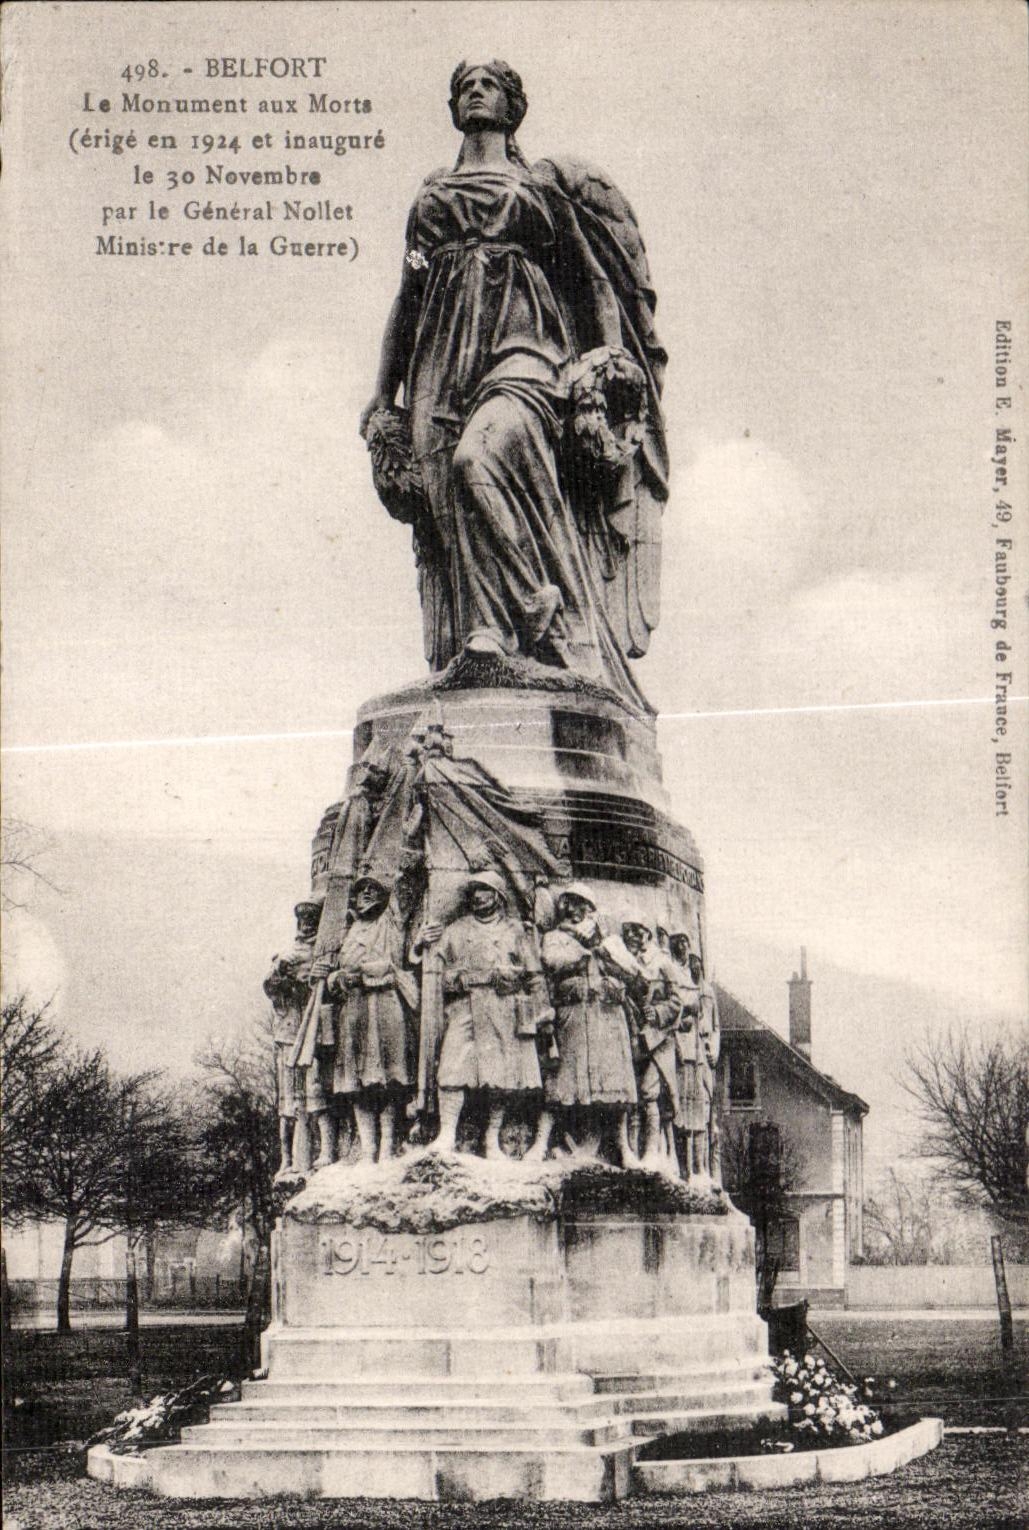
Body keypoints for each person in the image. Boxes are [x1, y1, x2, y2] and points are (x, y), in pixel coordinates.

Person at [360, 60, 667, 709]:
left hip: (524, 345)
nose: (474, 90)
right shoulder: (432, 195)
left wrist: (613, 363)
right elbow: (408, 294)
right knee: (447, 508)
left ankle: (536, 601)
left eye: (488, 84)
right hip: (438, 360)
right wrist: (382, 392)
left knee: (480, 456)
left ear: (511, 105)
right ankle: (484, 635)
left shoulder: (538, 187)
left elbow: (590, 281)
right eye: (463, 84)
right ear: (453, 105)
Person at [419, 870, 553, 1157]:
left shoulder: (515, 930)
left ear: (498, 896)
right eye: (476, 891)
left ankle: (492, 1139)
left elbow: (535, 974)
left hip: (503, 1007)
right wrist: (458, 977)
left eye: (486, 890)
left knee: (501, 1076)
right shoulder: (456, 930)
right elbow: (435, 971)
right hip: (466, 1007)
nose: (479, 896)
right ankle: (447, 1133)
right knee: (452, 1069)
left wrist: (541, 1010)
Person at [535, 884, 640, 1164]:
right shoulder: (555, 937)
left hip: (607, 1017)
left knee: (614, 1086)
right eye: (572, 903)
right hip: (574, 1016)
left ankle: (623, 1148)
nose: (576, 909)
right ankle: (540, 1143)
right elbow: (551, 961)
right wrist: (581, 950)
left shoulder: (609, 941)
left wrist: (601, 947)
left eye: (583, 905)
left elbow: (632, 971)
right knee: (562, 1082)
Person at [326, 874, 419, 1162]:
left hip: (385, 1002)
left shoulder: (391, 921)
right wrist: (335, 978)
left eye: (373, 889)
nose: (366, 893)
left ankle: (388, 1145)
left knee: (391, 1076)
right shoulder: (348, 930)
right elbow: (333, 970)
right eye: (361, 890)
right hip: (354, 1008)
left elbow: (405, 885)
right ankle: (367, 1150)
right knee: (355, 1080)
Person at [264, 894, 332, 1177]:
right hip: (289, 1033)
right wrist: (280, 974)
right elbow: (270, 988)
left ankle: (326, 1150)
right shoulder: (286, 954)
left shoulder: (326, 952)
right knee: (287, 1103)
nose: (306, 925)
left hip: (315, 1032)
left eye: (312, 920)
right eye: (302, 920)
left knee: (317, 1093)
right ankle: (288, 1160)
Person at [622, 920, 685, 1170]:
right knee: (633, 1095)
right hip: (632, 1037)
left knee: (649, 1092)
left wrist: (657, 1013)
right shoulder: (625, 960)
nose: (634, 936)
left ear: (647, 934)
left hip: (658, 1040)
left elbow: (677, 1002)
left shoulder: (663, 963)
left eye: (639, 931)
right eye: (628, 931)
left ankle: (651, 1151)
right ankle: (634, 1152)